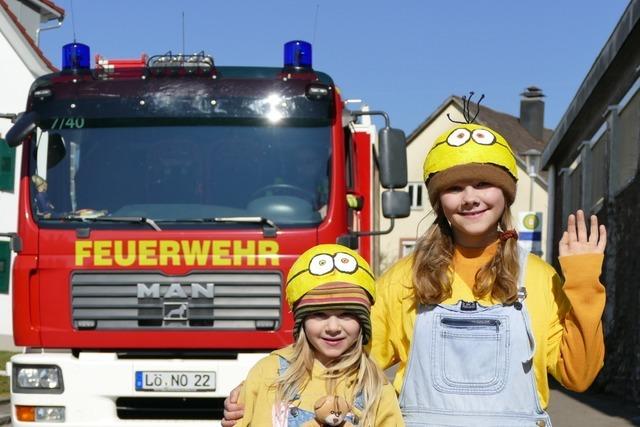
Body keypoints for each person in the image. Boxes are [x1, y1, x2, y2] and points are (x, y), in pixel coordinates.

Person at [224, 123, 606, 426]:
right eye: (454, 188)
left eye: (484, 183)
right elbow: (340, 356)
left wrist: (584, 284)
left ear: (506, 193)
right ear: (439, 201)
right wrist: (257, 392)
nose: (470, 197)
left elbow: (579, 377)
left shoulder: (538, 278)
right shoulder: (405, 278)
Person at [232, 244, 403, 426]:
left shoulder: (375, 388)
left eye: (346, 314)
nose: (333, 327)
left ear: (363, 322)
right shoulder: (268, 374)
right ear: (301, 322)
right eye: (319, 314)